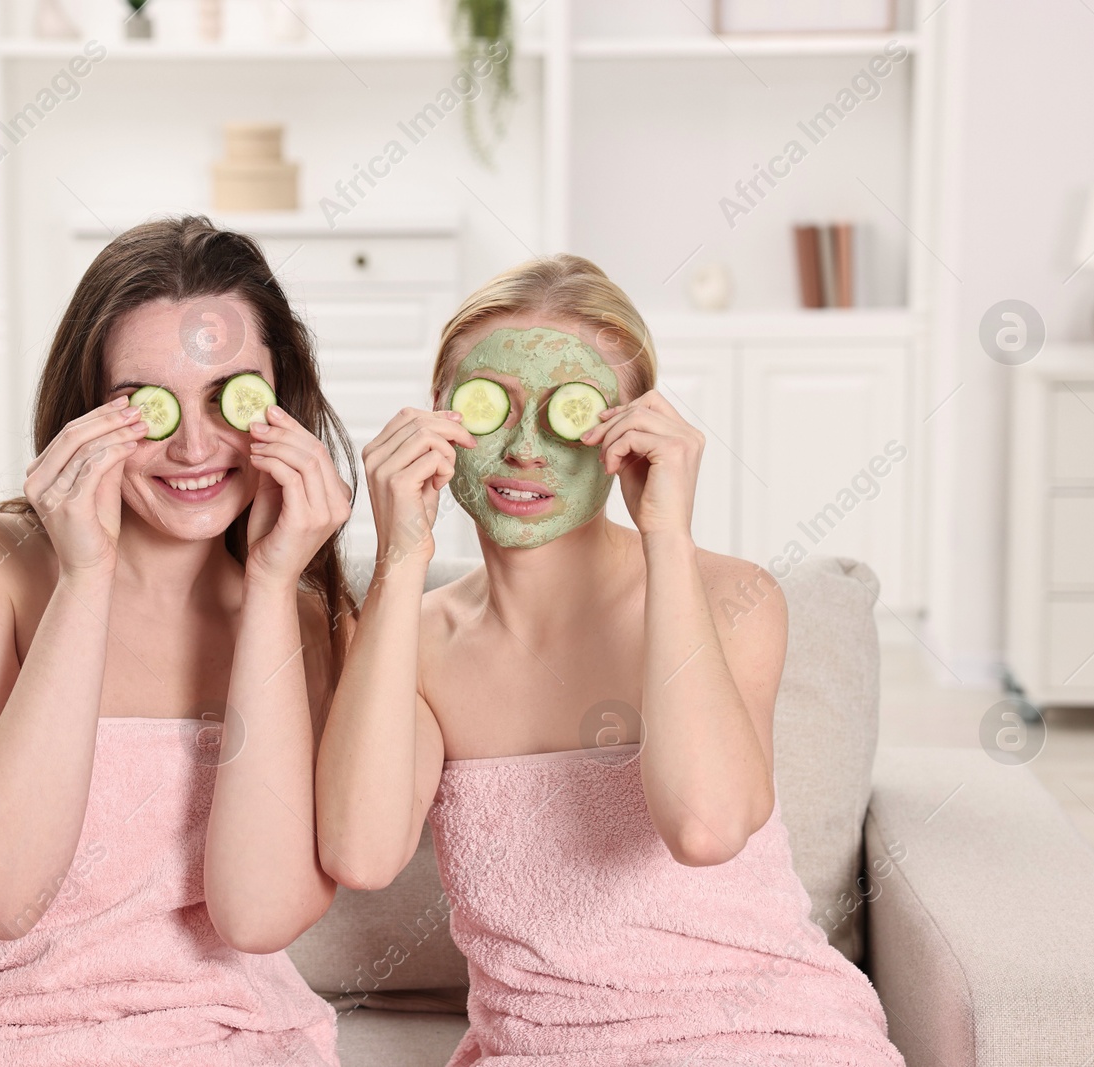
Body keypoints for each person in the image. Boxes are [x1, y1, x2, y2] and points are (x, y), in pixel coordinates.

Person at [315, 254, 906, 1066]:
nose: (525, 448)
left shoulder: (733, 598)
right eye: (493, 410)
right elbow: (361, 849)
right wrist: (397, 559)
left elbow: (704, 825)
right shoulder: (409, 637)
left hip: (763, 1038)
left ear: (629, 433)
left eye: (569, 412)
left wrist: (667, 532)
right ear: (440, 421)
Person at [0, 215, 355, 1067]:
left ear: (283, 404)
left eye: (230, 396)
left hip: (237, 1041)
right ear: (87, 412)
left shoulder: (309, 622)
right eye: (145, 406)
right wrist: (85, 577)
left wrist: (274, 585)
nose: (195, 445)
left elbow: (258, 915)